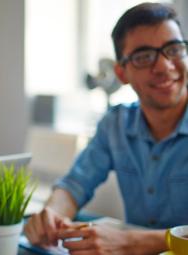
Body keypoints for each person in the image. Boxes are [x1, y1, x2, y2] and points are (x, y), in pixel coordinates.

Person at [24, 2, 188, 254]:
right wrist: (51, 214)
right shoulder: (116, 124)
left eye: (174, 49)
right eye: (144, 57)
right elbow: (74, 185)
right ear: (121, 73)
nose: (165, 67)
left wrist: (130, 242)